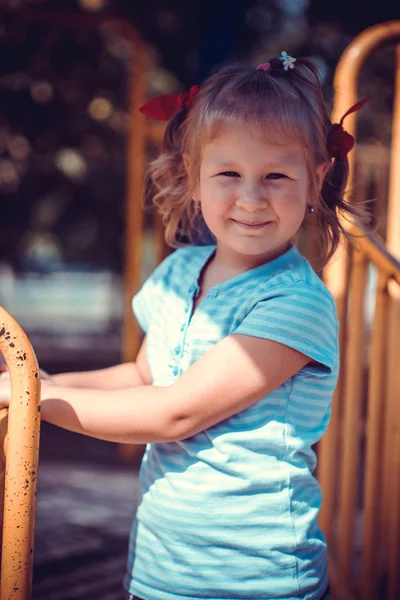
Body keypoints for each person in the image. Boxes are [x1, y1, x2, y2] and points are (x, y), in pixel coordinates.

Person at [0, 52, 369, 600]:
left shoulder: (294, 303)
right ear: (193, 177)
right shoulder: (179, 272)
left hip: (254, 576)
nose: (250, 197)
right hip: (162, 566)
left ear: (315, 180)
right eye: (228, 174)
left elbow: (176, 411)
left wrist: (34, 399)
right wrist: (44, 381)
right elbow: (144, 373)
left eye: (276, 175)